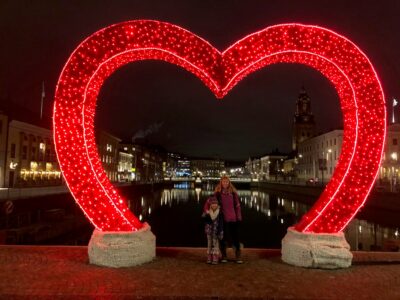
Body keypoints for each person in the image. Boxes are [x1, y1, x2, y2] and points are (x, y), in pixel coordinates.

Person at [204, 175, 243, 263]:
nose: (225, 183)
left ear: (229, 183)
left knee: (235, 237)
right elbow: (209, 202)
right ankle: (224, 255)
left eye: (227, 182)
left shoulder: (233, 193)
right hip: (222, 219)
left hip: (233, 219)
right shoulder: (217, 194)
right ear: (221, 183)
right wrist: (207, 211)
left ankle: (238, 255)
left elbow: (237, 206)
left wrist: (239, 217)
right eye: (223, 182)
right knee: (223, 238)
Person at [202, 197, 224, 264]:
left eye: (215, 204)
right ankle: (209, 256)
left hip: (216, 231)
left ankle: (215, 257)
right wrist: (205, 215)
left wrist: (221, 231)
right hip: (209, 230)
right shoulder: (208, 212)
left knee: (215, 244)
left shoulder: (220, 213)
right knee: (209, 243)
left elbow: (221, 223)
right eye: (212, 204)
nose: (214, 205)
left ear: (217, 205)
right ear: (210, 205)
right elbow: (205, 220)